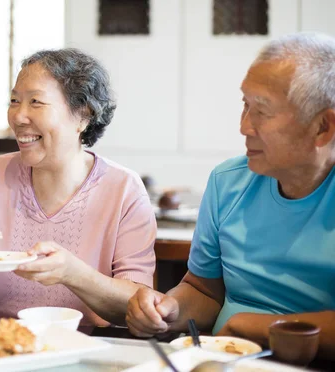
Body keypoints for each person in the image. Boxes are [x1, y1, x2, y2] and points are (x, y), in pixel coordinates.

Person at [126, 32, 335, 359]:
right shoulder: (227, 182)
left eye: (262, 112)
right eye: (245, 105)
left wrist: (251, 326)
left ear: (323, 127)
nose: (244, 127)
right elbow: (203, 291)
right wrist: (170, 309)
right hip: (223, 359)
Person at [0, 48, 156, 326]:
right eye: (14, 101)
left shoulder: (124, 189)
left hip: (84, 343)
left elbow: (137, 304)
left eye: (36, 102)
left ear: (83, 116)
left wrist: (73, 273)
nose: (18, 116)